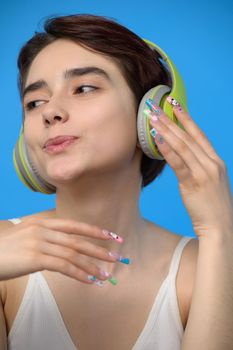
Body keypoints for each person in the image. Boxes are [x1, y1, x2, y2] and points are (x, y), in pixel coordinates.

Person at [0, 13, 232, 350]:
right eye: (35, 102)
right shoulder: (3, 252)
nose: (50, 112)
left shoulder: (203, 266)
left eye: (84, 88)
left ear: (152, 117)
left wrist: (220, 229)